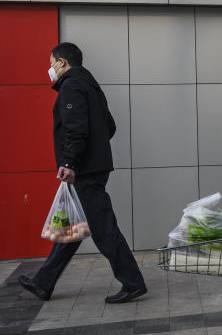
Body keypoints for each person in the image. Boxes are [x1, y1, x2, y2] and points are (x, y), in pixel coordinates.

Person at [18, 43, 147, 304]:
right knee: (72, 227)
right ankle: (44, 283)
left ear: (63, 62)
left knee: (103, 228)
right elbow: (108, 126)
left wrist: (70, 162)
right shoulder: (91, 86)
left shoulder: (71, 86)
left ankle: (133, 282)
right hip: (93, 167)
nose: (51, 68)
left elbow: (75, 128)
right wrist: (96, 149)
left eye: (52, 62)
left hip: (85, 171)